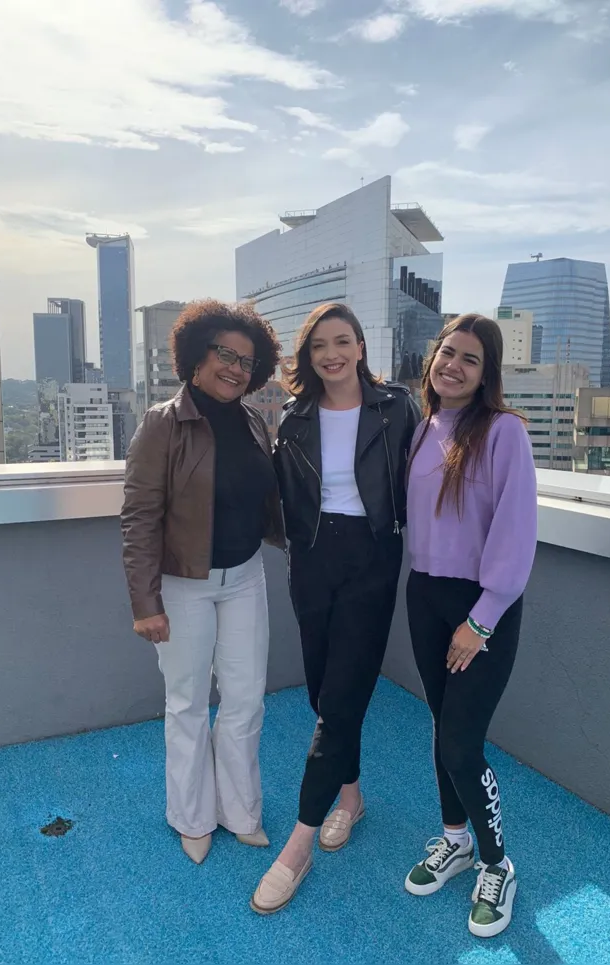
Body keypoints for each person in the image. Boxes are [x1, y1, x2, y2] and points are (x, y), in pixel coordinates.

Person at [250, 303, 420, 914]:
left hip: (373, 558)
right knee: (325, 694)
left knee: (343, 697)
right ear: (308, 354)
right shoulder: (294, 418)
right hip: (313, 559)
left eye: (342, 341)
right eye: (320, 344)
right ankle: (349, 796)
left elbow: (426, 475)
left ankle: (297, 848)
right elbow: (276, 494)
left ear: (360, 345)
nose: (331, 354)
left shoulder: (396, 407)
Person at [121, 299, 285, 865]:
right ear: (195, 357)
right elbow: (140, 516)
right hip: (182, 584)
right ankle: (191, 815)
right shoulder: (161, 424)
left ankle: (240, 810)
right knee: (187, 701)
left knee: (245, 699)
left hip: (245, 577)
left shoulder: (252, 420)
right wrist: (146, 603)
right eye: (225, 354)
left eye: (247, 360)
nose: (236, 368)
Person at [403, 313, 537, 938]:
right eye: (447, 352)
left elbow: (515, 531)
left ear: (488, 375)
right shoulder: (424, 425)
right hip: (423, 595)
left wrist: (480, 621)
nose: (453, 365)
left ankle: (495, 862)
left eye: (471, 358)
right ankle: (454, 840)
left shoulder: (505, 431)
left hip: (482, 610)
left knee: (462, 742)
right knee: (441, 727)